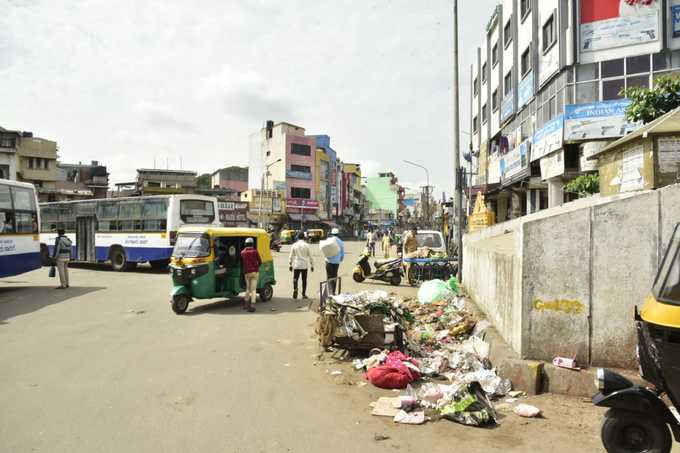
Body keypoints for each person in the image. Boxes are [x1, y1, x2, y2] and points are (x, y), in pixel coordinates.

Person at [289, 232, 314, 299]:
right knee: (304, 280)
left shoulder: (294, 245)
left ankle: (295, 289)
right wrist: (312, 265)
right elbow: (310, 256)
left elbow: (291, 256)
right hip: (304, 265)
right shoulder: (307, 245)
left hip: (296, 264)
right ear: (304, 237)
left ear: (297, 237)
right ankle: (303, 294)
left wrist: (290, 264)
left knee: (295, 278)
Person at [240, 237, 261, 313]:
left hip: (247, 273)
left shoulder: (242, 252)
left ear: (245, 244)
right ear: (252, 244)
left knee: (248, 289)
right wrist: (257, 267)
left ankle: (245, 305)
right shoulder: (255, 252)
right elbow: (260, 261)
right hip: (255, 272)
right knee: (253, 289)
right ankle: (252, 305)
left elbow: (242, 262)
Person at [322, 227, 344, 295]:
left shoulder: (328, 240)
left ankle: (329, 291)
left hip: (328, 261)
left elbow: (324, 248)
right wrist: (340, 259)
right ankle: (333, 291)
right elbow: (342, 253)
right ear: (338, 234)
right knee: (334, 276)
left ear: (332, 233)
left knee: (329, 276)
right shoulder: (340, 241)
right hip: (336, 262)